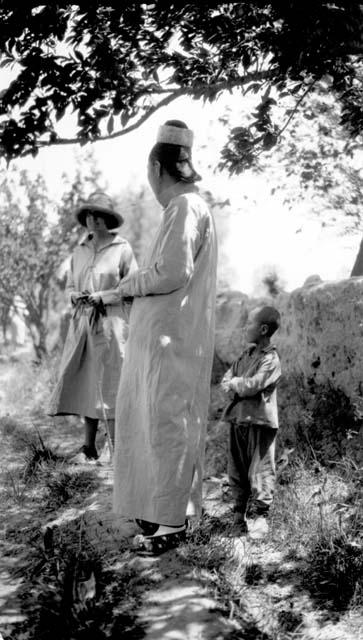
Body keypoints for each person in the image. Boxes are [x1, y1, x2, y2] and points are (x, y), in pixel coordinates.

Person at [95, 120, 218, 554]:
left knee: (167, 427)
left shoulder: (185, 207)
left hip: (171, 344)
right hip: (166, 341)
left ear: (156, 168)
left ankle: (170, 526)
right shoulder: (184, 209)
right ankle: (161, 514)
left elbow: (171, 273)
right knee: (158, 424)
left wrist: (125, 286)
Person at [49, 191, 137, 462]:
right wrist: (75, 295)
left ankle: (114, 446)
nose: (92, 219)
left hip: (112, 323)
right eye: (88, 214)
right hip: (84, 323)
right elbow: (70, 285)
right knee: (89, 382)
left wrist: (105, 296)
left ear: (107, 218)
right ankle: (88, 447)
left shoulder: (122, 248)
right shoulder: (80, 250)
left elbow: (132, 286)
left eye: (97, 214)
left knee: (111, 381)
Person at [221, 305, 282, 536]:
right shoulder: (245, 356)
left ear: (263, 329)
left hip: (259, 423)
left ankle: (260, 516)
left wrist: (236, 384)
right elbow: (226, 380)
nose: (245, 328)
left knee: (261, 469)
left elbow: (253, 386)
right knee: (237, 468)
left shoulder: (271, 360)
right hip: (238, 420)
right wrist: (235, 384)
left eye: (250, 323)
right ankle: (238, 514)